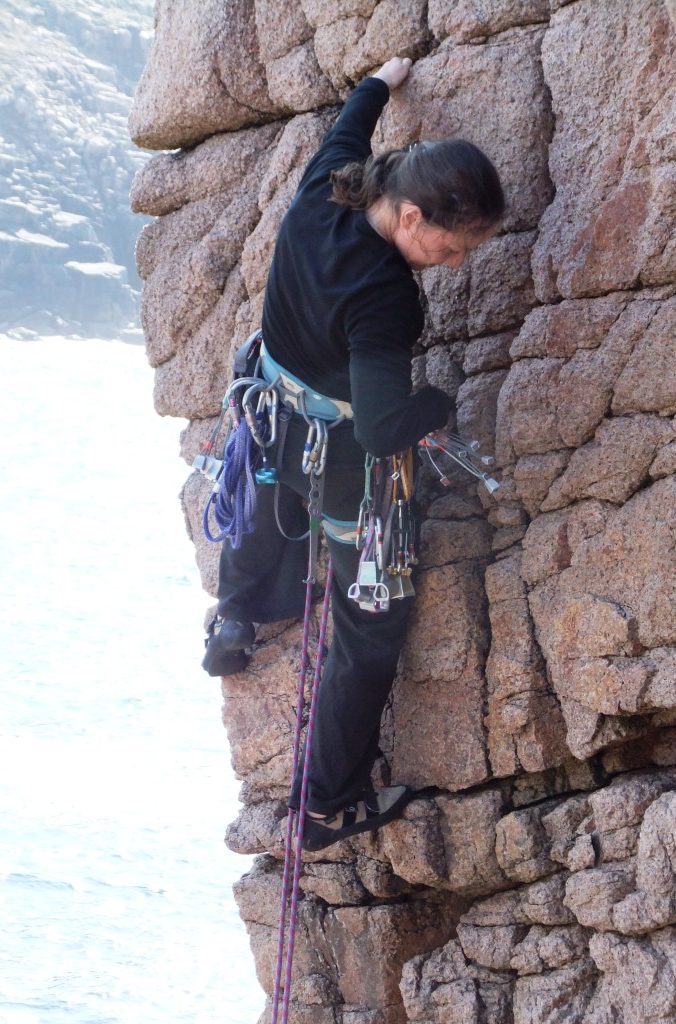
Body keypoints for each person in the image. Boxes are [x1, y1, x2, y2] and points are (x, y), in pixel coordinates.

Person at [202, 56, 505, 851]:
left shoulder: (323, 189)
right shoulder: (384, 300)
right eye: (450, 247)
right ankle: (330, 805)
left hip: (270, 410)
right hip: (341, 456)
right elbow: (379, 429)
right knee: (367, 630)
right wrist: (436, 403)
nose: (455, 262)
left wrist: (380, 79)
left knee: (267, 492)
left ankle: (234, 618)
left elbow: (348, 126)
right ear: (409, 218)